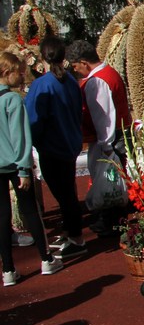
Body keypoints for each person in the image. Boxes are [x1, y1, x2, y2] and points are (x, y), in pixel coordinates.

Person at [0, 52, 63, 286]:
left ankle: (7, 269)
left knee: (2, 216)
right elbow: (20, 137)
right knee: (30, 211)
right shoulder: (13, 100)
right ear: (7, 73)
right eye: (19, 71)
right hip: (15, 165)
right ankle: (46, 258)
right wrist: (25, 169)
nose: (23, 75)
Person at [25, 37, 86, 258]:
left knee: (64, 194)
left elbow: (34, 118)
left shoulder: (42, 84)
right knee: (67, 190)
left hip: (51, 146)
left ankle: (77, 238)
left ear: (43, 57)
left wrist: (32, 142)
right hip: (69, 143)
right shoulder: (70, 81)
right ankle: (72, 231)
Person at [67, 39, 132, 237]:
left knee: (108, 179)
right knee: (114, 179)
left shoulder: (97, 81)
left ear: (84, 62)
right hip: (117, 135)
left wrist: (106, 145)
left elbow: (103, 117)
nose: (76, 70)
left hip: (109, 139)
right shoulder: (109, 72)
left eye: (75, 66)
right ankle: (115, 219)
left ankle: (111, 222)